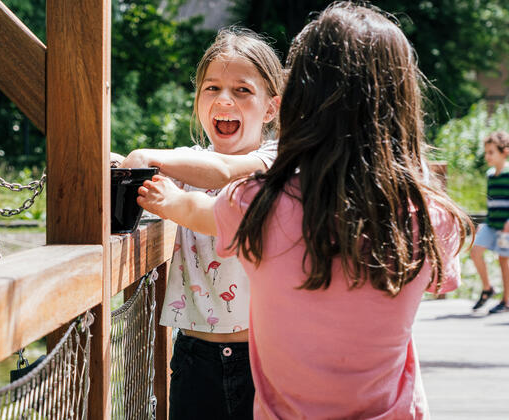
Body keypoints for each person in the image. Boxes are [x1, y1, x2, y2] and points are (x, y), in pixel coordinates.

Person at [137, 2, 471, 418]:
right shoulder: (432, 216)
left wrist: (157, 186)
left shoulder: (260, 203)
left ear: (298, 99)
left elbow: (198, 210)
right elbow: (441, 281)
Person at [118, 28, 283, 419]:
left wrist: (142, 155)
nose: (224, 99)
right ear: (198, 101)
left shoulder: (277, 161)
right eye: (211, 88)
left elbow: (222, 171)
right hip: (194, 356)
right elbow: (177, 171)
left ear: (271, 108)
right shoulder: (187, 163)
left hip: (267, 358)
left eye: (242, 90)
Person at [470, 130, 509, 313]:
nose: (487, 156)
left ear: (504, 152)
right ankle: (488, 288)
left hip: (506, 226)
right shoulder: (490, 174)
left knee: (504, 260)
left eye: (491, 152)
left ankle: (506, 300)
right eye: (486, 152)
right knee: (476, 251)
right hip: (492, 224)